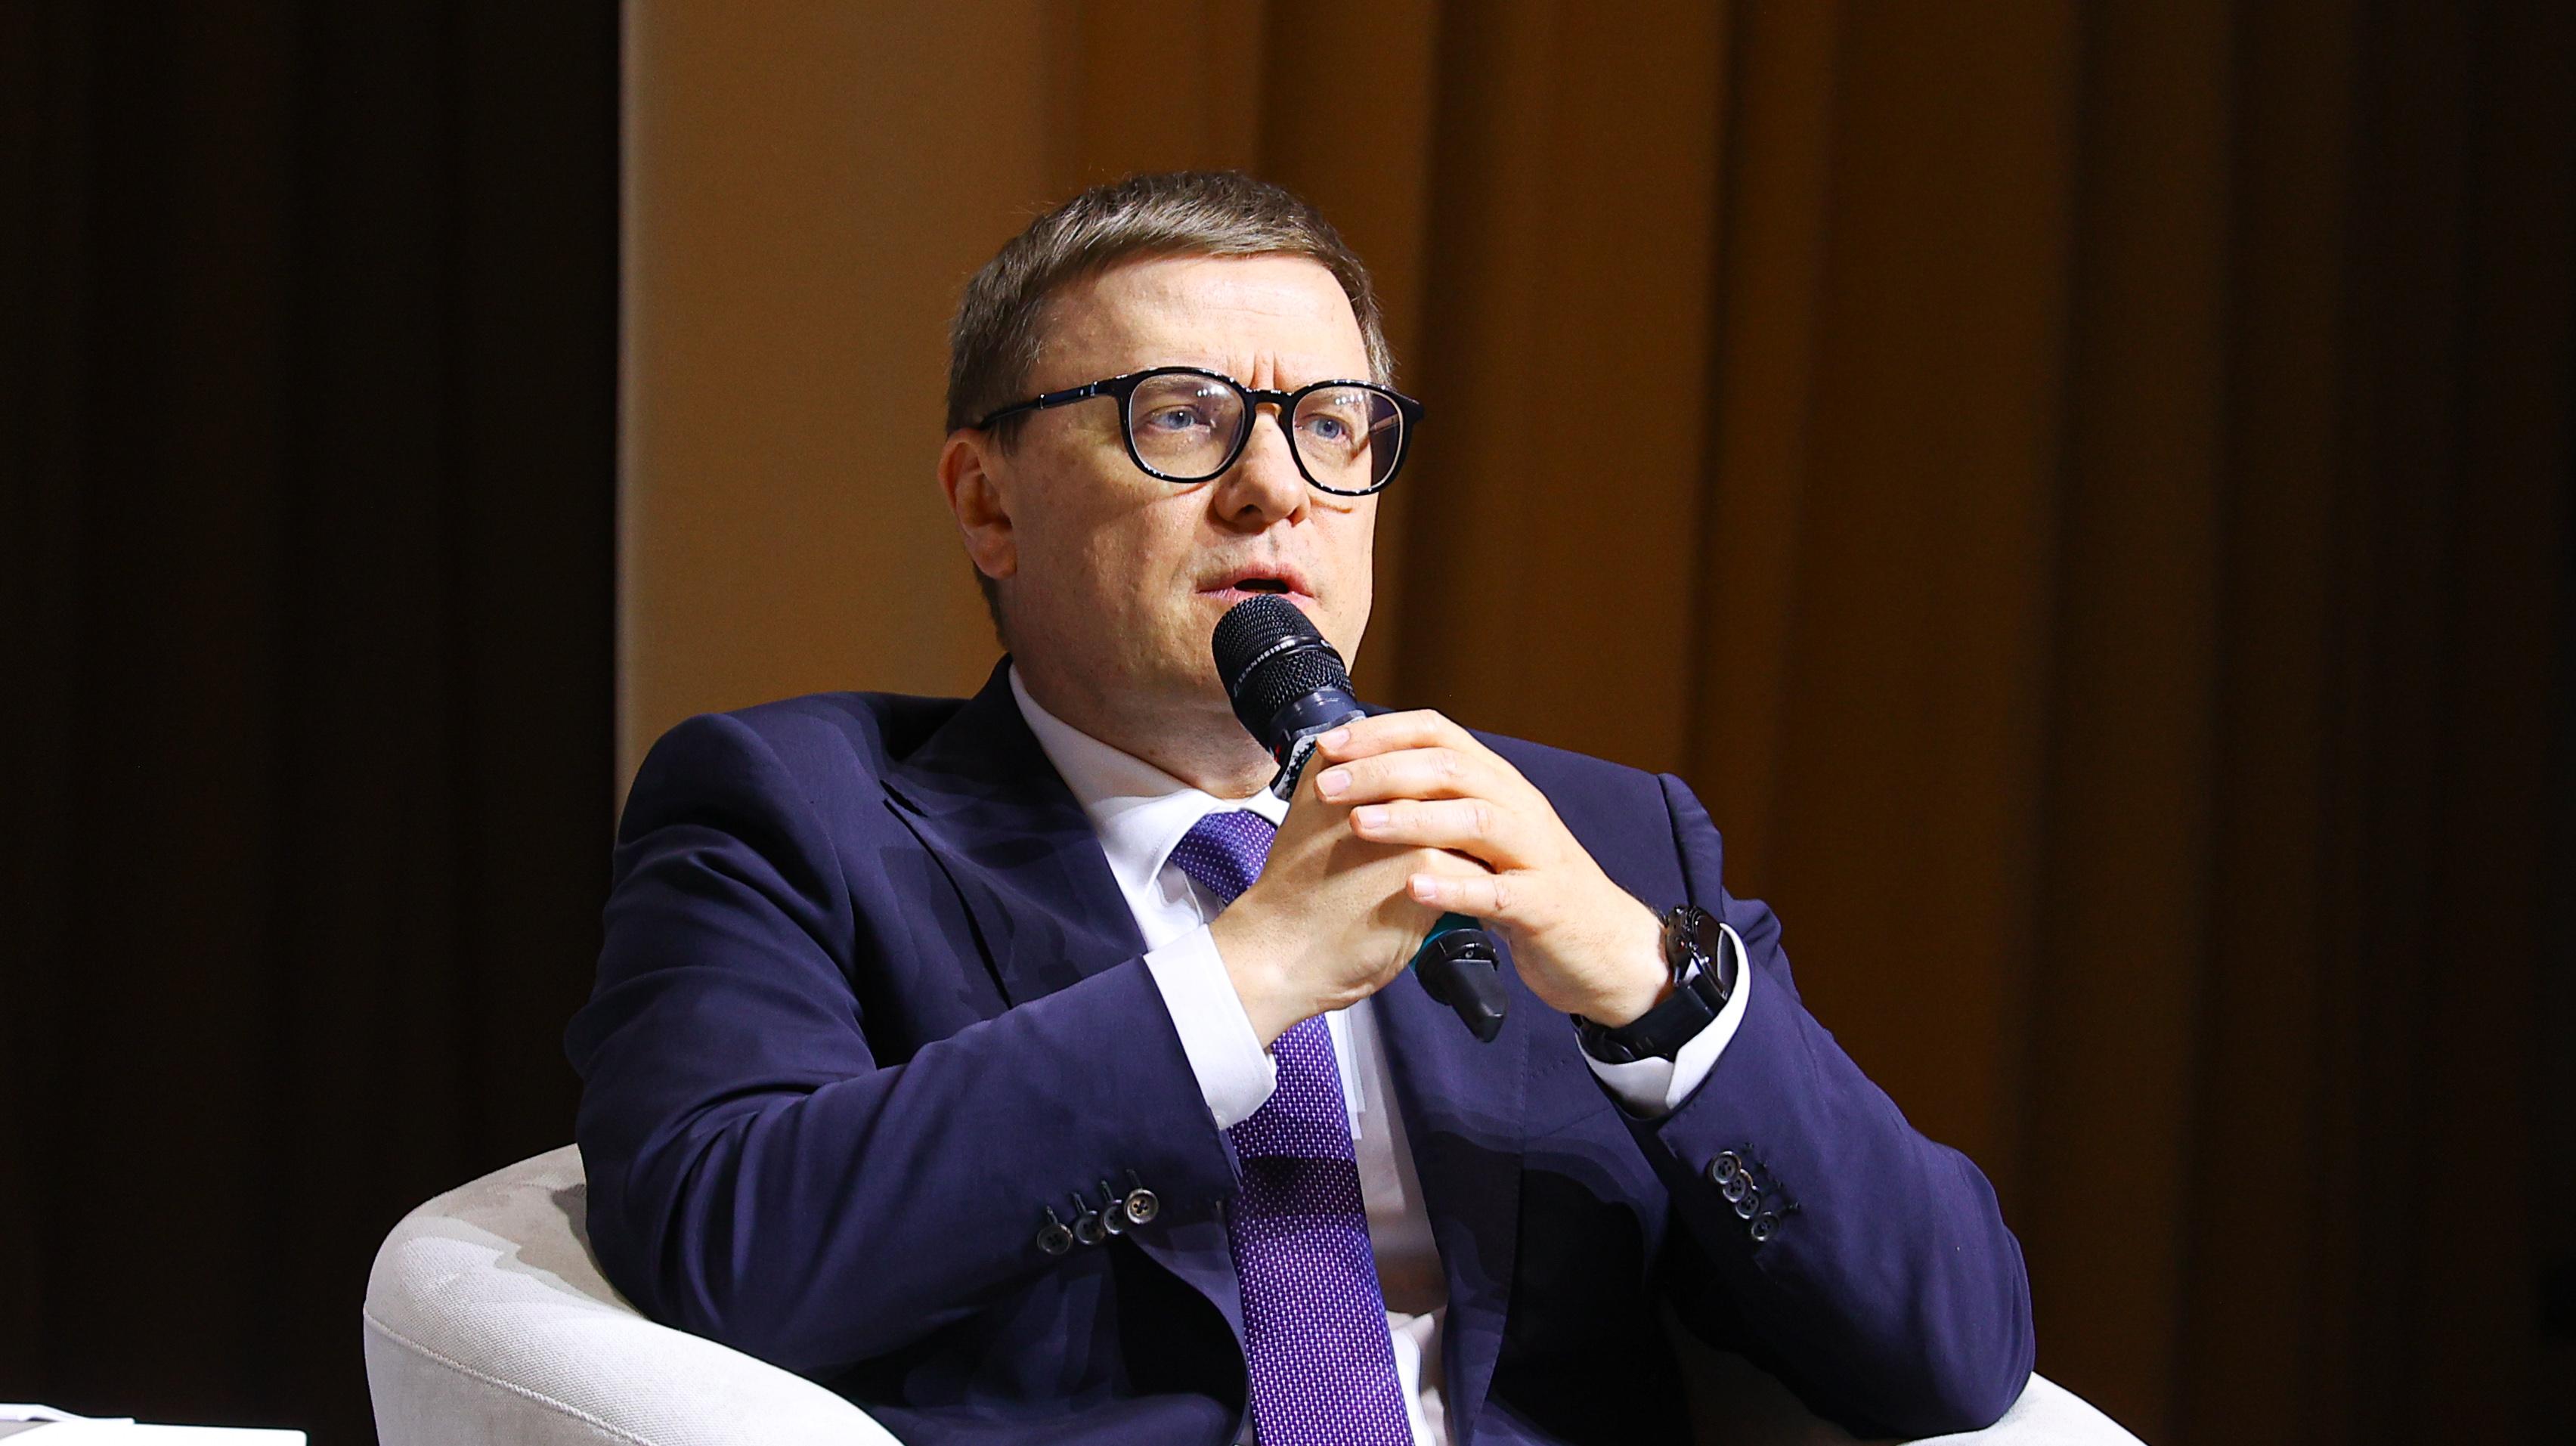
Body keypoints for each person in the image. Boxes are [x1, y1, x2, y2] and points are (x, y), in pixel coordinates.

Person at [567, 171, 2033, 1446]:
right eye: (1181, 417)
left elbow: (1956, 1351)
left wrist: (1656, 994)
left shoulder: (1597, 840)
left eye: (1333, 426)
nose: (1276, 488)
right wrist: (1244, 977)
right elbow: (724, 1243)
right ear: (986, 502)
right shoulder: (796, 813)